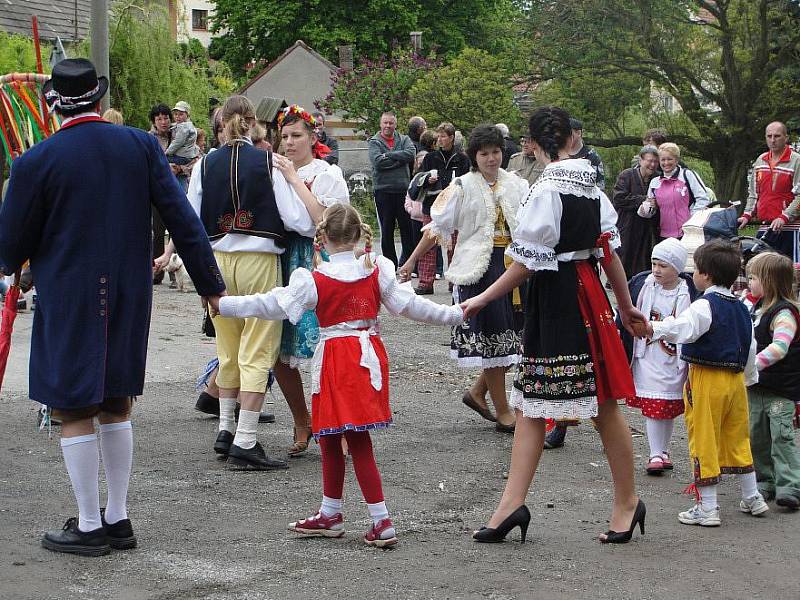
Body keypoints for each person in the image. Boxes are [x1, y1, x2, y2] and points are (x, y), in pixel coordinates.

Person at [0, 58, 225, 556]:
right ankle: (118, 517)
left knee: (74, 405)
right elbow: (182, 220)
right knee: (117, 401)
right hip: (128, 290)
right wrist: (211, 286)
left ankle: (87, 524)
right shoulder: (142, 146)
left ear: (54, 105)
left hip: (70, 295)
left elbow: (9, 246)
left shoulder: (36, 161)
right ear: (99, 100)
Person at [212, 204, 464, 547]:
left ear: (323, 238)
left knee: (354, 438)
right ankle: (331, 513)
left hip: (336, 359)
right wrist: (454, 313)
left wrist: (226, 304)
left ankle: (381, 519)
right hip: (369, 354)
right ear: (359, 234)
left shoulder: (314, 279)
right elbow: (410, 306)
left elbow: (275, 304)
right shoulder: (377, 270)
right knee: (331, 435)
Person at [461, 107, 646, 544]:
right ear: (571, 139)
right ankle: (511, 506)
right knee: (536, 403)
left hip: (563, 299)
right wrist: (626, 305)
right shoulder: (590, 186)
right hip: (585, 294)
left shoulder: (547, 190)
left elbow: (527, 261)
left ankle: (628, 502)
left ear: (532, 144)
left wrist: (485, 296)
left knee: (598, 404)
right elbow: (608, 254)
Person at [188, 95, 319, 470]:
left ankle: (226, 429)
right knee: (259, 346)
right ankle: (245, 438)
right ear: (253, 124)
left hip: (216, 261)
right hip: (258, 258)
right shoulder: (268, 163)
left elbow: (191, 219)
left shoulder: (203, 165)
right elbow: (300, 221)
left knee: (228, 347)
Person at [400, 125, 530, 433]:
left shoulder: (517, 185)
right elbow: (436, 228)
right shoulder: (461, 186)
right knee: (493, 341)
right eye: (484, 154)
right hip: (480, 270)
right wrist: (411, 260)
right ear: (474, 156)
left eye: (496, 152)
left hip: (515, 267)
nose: (491, 159)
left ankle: (476, 392)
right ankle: (502, 410)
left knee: (515, 339)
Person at [647, 240, 767, 527]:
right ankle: (752, 496)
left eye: (696, 270)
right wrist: (749, 378)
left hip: (706, 379)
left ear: (707, 275)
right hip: (736, 381)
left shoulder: (704, 305)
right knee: (737, 437)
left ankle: (708, 507)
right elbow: (749, 347)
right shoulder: (741, 308)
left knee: (703, 438)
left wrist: (655, 327)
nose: (694, 275)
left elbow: (683, 328)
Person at [274, 104, 349, 456]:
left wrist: (293, 179)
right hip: (284, 257)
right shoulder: (273, 171)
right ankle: (301, 420)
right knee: (280, 347)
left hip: (320, 256)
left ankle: (339, 422)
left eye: (296, 136)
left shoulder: (326, 173)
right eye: (285, 136)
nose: (289, 143)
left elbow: (322, 218)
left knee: (328, 344)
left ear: (312, 138)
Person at [626, 239, 694, 475]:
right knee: (655, 405)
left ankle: (663, 451)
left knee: (666, 405)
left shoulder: (688, 292)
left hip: (674, 358)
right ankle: (655, 452)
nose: (656, 269)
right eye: (654, 263)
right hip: (647, 355)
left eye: (663, 265)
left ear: (677, 267)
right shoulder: (643, 286)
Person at [744, 252, 800, 509]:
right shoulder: (757, 307)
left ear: (771, 281)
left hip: (779, 388)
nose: (749, 283)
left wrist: (752, 365)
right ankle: (764, 480)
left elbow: (780, 347)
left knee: (781, 436)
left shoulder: (784, 313)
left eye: (753, 277)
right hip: (756, 388)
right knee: (757, 436)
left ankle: (790, 485)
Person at [414, 122, 471, 295]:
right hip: (432, 206)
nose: (440, 139)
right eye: (438, 136)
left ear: (452, 138)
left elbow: (467, 181)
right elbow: (418, 178)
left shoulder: (462, 158)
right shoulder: (430, 158)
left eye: (443, 136)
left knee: (454, 246)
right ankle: (425, 282)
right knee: (428, 244)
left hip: (454, 209)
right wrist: (427, 180)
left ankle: (454, 282)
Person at [738, 122, 800, 261]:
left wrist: (784, 216)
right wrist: (747, 215)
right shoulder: (761, 160)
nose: (773, 140)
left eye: (777, 136)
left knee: (791, 275)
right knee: (762, 271)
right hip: (766, 226)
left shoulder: (796, 161)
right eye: (769, 136)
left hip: (791, 228)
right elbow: (754, 193)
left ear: (786, 137)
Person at [368, 111, 417, 267]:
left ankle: (407, 263)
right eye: (385, 123)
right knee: (386, 231)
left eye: (391, 123)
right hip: (383, 191)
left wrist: (388, 155)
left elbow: (410, 154)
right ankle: (390, 264)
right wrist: (399, 160)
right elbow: (377, 162)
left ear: (395, 124)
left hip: (403, 191)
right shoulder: (374, 142)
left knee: (407, 229)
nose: (388, 126)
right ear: (380, 124)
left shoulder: (404, 139)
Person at [646, 142, 710, 240]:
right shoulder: (654, 182)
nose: (666, 163)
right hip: (663, 235)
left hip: (689, 233)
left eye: (669, 159)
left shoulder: (688, 175)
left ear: (676, 160)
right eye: (663, 160)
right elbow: (650, 209)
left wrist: (692, 221)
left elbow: (703, 199)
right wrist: (647, 207)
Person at [613, 145, 661, 278]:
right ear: (641, 160)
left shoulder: (658, 179)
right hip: (628, 225)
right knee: (625, 258)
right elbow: (619, 198)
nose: (652, 165)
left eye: (655, 162)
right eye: (649, 161)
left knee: (644, 261)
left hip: (648, 227)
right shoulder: (626, 175)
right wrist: (644, 199)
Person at [148, 103, 173, 285]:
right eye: (159, 119)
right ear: (154, 122)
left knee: (177, 231)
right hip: (157, 191)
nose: (163, 122)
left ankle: (175, 270)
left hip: (177, 189)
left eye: (166, 118)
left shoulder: (180, 135)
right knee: (158, 232)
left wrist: (180, 167)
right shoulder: (149, 139)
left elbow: (193, 158)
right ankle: (157, 270)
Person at [166, 101, 199, 190]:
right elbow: (175, 126)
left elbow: (177, 142)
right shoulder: (187, 125)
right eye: (176, 114)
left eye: (181, 114)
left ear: (187, 115)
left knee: (162, 160)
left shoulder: (184, 127)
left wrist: (166, 152)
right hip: (187, 156)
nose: (177, 117)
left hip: (182, 157)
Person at [568, 118, 606, 191]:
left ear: (578, 133)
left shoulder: (592, 157)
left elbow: (600, 186)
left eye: (568, 133)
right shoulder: (558, 155)